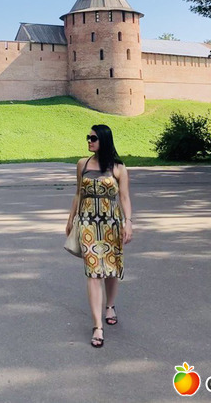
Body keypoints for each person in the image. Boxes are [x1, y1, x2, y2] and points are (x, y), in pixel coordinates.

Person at [65, 124, 133, 347]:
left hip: (112, 224)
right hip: (88, 225)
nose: (89, 141)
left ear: (104, 140)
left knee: (111, 268)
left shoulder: (118, 168)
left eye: (93, 138)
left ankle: (110, 306)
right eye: (88, 137)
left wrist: (128, 222)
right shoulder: (82, 164)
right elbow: (78, 193)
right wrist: (70, 219)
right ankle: (97, 326)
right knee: (94, 272)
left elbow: (124, 197)